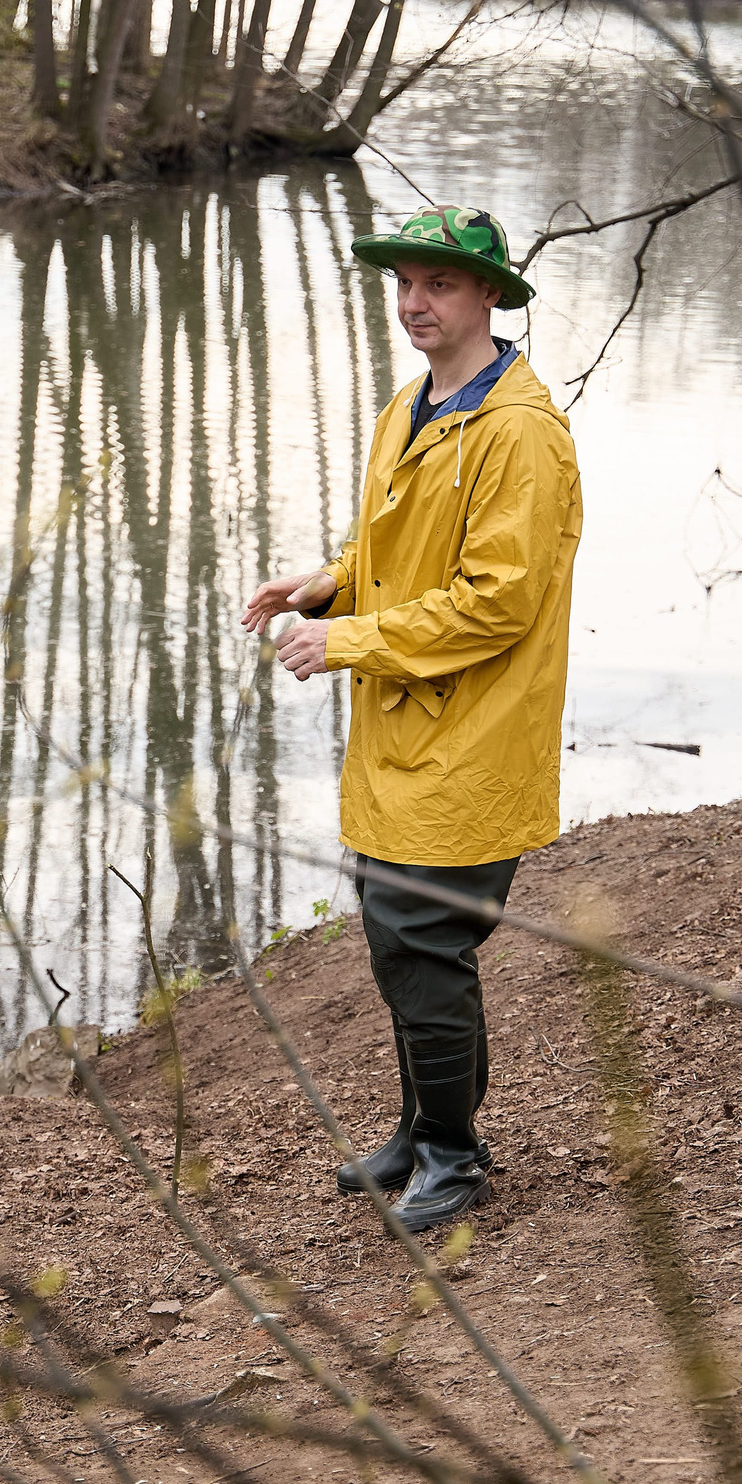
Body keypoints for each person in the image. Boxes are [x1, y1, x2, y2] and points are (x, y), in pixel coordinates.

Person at [240, 203, 582, 1233]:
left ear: (488, 294)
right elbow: (406, 561)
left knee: (426, 944)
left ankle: (453, 1156)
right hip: (402, 730)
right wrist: (327, 586)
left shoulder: (519, 434)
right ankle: (418, 1128)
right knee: (401, 945)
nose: (414, 302)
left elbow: (496, 599)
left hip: (472, 736)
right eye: (403, 283)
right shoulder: (412, 406)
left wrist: (349, 642)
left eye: (437, 283)